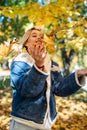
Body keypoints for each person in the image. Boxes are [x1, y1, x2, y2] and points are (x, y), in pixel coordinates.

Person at [10, 26, 87, 130]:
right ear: (26, 43)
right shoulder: (20, 62)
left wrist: (79, 73)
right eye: (34, 35)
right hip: (24, 123)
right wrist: (39, 66)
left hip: (46, 123)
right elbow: (27, 91)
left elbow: (60, 88)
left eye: (41, 37)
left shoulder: (51, 65)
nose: (39, 38)